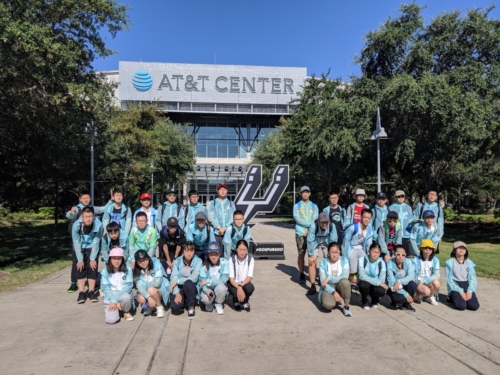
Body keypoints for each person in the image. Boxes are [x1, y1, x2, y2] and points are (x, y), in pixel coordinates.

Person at [66, 190, 111, 293]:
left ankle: (92, 283)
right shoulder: (77, 209)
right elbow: (69, 216)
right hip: (78, 242)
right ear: (80, 199)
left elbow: (104, 208)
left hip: (91, 243)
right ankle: (74, 282)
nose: (86, 199)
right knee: (77, 262)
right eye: (84, 198)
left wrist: (111, 200)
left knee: (93, 262)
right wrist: (70, 212)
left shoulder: (93, 209)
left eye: (88, 197)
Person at [71, 207, 103, 304]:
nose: (88, 219)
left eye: (90, 216)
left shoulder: (98, 225)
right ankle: (81, 293)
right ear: (82, 216)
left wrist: (93, 258)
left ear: (93, 216)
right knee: (80, 268)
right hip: (79, 246)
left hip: (91, 246)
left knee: (92, 267)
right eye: (86, 216)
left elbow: (96, 241)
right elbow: (76, 242)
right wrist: (80, 260)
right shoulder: (76, 225)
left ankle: (91, 292)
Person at [305, 212, 338, 295]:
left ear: (329, 221)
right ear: (318, 221)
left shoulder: (331, 226)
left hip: (326, 241)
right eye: (322, 222)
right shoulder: (313, 226)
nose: (324, 224)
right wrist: (311, 255)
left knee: (331, 260)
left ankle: (329, 281)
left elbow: (333, 240)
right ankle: (312, 285)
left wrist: (332, 253)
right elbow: (310, 241)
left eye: (326, 222)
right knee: (312, 262)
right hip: (315, 241)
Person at [100, 247, 134, 323]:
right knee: (111, 320)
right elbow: (105, 288)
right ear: (110, 259)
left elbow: (128, 286)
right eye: (114, 258)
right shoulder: (105, 271)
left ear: (122, 259)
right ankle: (118, 308)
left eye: (119, 258)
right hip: (110, 294)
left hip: (123, 292)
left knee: (126, 297)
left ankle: (126, 311)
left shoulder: (128, 269)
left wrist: (115, 300)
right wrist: (114, 300)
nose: (117, 261)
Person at [170, 242, 203, 319]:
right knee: (175, 308)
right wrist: (177, 292)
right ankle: (183, 301)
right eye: (186, 251)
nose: (189, 253)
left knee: (188, 283)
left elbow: (194, 278)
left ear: (194, 252)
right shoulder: (177, 261)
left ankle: (191, 306)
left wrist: (178, 281)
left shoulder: (198, 261)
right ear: (182, 252)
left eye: (191, 251)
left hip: (191, 286)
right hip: (179, 287)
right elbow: (173, 277)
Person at [318, 242, 352, 317]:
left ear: (340, 252)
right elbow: (323, 282)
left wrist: (329, 278)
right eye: (332, 252)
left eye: (336, 252)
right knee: (328, 306)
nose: (334, 254)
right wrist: (333, 292)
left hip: (340, 285)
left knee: (345, 282)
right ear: (328, 252)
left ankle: (346, 305)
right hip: (328, 288)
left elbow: (345, 276)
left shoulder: (344, 260)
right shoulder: (323, 262)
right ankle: (334, 298)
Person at [293, 186, 319, 283]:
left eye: (307, 192)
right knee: (301, 254)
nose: (305, 194)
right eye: (303, 192)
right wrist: (309, 226)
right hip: (300, 233)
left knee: (312, 255)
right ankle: (301, 273)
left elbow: (316, 218)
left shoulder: (314, 206)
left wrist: (311, 229)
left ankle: (313, 275)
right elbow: (297, 218)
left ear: (310, 193)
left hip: (312, 233)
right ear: (300, 194)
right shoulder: (297, 206)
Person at [134, 250, 170, 318]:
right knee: (140, 298)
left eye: (144, 260)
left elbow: (157, 282)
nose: (142, 263)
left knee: (150, 290)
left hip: (160, 289)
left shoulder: (157, 264)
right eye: (140, 261)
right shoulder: (137, 270)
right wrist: (148, 297)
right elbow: (139, 286)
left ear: (148, 258)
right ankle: (151, 307)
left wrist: (144, 286)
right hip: (149, 291)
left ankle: (159, 307)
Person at [445, 241, 479, 311]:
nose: (461, 250)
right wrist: (460, 291)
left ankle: (464, 300)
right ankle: (451, 297)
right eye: (459, 248)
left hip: (466, 284)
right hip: (455, 285)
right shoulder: (449, 263)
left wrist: (469, 290)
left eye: (463, 248)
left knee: (474, 306)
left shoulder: (469, 263)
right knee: (461, 306)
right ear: (454, 251)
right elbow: (449, 280)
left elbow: (473, 278)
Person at [342, 208, 373, 285]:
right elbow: (346, 241)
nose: (366, 220)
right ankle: (349, 283)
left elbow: (369, 243)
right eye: (365, 217)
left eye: (368, 218)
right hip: (351, 248)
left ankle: (359, 280)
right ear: (361, 217)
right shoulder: (353, 227)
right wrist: (345, 255)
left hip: (360, 248)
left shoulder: (369, 230)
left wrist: (369, 254)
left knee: (365, 261)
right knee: (352, 268)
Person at [199, 242, 229, 315]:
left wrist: (209, 281)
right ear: (208, 255)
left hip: (218, 286)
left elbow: (224, 279)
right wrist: (206, 290)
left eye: (216, 254)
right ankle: (209, 303)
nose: (213, 257)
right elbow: (202, 281)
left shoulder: (224, 262)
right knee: (205, 299)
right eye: (211, 255)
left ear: (219, 254)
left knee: (221, 288)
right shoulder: (204, 265)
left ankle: (219, 303)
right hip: (208, 288)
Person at [358, 243, 388, 310]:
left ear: (380, 253)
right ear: (369, 251)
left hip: (376, 285)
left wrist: (379, 283)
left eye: (377, 252)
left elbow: (382, 279)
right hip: (366, 282)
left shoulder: (381, 262)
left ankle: (374, 300)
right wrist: (378, 283)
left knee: (381, 290)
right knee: (363, 285)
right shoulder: (362, 260)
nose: (375, 254)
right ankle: (364, 301)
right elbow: (362, 276)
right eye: (373, 251)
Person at [386, 245, 417, 311]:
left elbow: (411, 276)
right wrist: (406, 294)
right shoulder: (390, 264)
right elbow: (391, 283)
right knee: (400, 299)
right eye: (398, 254)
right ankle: (394, 301)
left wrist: (399, 281)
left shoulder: (408, 262)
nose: (401, 256)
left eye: (403, 255)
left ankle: (406, 303)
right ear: (394, 254)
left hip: (402, 284)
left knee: (412, 284)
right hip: (393, 287)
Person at [228, 240, 255, 312]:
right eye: (240, 249)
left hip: (244, 283)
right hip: (234, 283)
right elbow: (231, 279)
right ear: (236, 249)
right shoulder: (232, 259)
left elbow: (249, 277)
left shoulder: (250, 259)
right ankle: (236, 301)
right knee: (235, 291)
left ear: (247, 249)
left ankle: (245, 301)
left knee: (250, 288)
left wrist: (241, 286)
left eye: (244, 250)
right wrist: (238, 287)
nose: (242, 252)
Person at [412, 239, 440, 306]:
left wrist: (424, 281)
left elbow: (437, 274)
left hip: (428, 280)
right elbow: (412, 274)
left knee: (437, 283)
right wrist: (419, 282)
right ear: (421, 249)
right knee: (427, 291)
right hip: (418, 281)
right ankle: (421, 294)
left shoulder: (435, 260)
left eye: (430, 248)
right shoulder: (415, 260)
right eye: (425, 248)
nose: (428, 250)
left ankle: (430, 296)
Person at [389, 190, 413, 257]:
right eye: (399, 196)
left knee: (407, 255)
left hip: (406, 235)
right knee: (396, 254)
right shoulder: (391, 208)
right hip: (395, 235)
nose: (401, 198)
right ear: (395, 197)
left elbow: (411, 221)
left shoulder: (408, 208)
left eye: (402, 196)